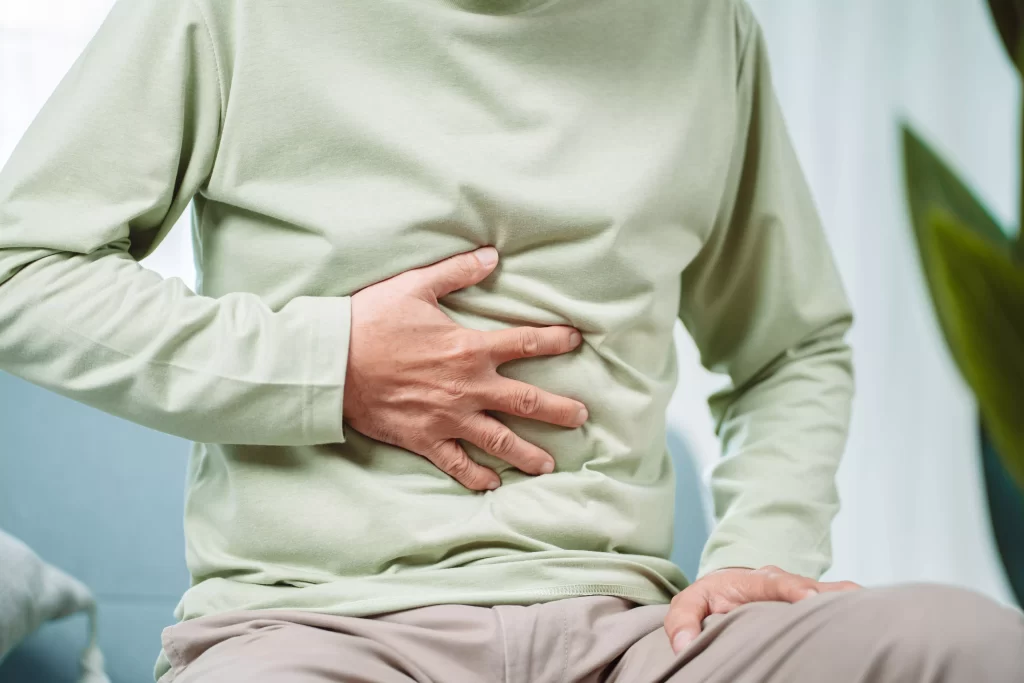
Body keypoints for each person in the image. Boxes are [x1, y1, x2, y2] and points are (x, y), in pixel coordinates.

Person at [0, 0, 1021, 680]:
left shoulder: (702, 26)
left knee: (970, 645)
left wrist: (762, 548)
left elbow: (790, 345)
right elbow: (20, 270)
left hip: (636, 636)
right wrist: (332, 364)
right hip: (317, 631)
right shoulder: (229, 13)